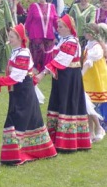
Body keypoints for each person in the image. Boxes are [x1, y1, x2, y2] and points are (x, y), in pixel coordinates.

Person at [0, 24, 57, 165]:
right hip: (19, 91)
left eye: (12, 37)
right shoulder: (16, 51)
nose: (9, 39)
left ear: (19, 38)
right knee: (29, 120)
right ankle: (40, 150)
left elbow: (17, 77)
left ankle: (13, 157)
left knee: (17, 120)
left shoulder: (23, 53)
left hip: (23, 92)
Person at [35, 15, 91, 152]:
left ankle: (68, 143)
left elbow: (61, 60)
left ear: (68, 28)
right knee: (60, 103)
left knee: (68, 104)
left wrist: (43, 73)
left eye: (61, 26)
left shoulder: (71, 41)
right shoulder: (63, 40)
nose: (58, 29)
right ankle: (58, 139)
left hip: (70, 78)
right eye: (58, 26)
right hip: (62, 77)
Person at [81, 23, 107, 142]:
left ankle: (98, 128)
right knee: (87, 105)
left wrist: (81, 74)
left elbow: (89, 62)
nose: (86, 34)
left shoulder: (96, 47)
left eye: (88, 31)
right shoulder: (88, 45)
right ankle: (92, 131)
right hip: (89, 78)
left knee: (92, 105)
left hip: (96, 79)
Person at [25, 0, 58, 73]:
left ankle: (46, 69)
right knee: (37, 52)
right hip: (36, 34)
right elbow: (28, 20)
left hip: (49, 33)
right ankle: (35, 68)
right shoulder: (33, 6)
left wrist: (59, 30)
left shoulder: (52, 6)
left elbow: (55, 19)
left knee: (48, 52)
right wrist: (26, 31)